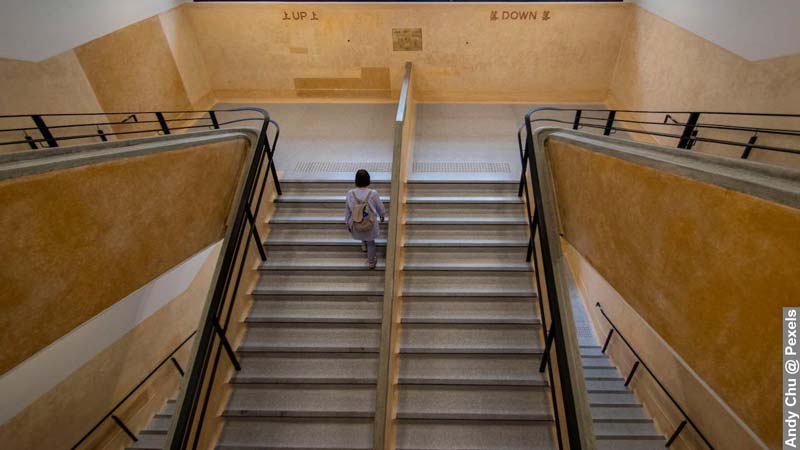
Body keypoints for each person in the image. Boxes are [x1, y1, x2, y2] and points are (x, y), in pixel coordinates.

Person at [345, 169, 385, 269]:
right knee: (371, 243)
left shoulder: (350, 193)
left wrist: (347, 223)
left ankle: (363, 245)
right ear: (368, 180)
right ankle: (371, 262)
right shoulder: (373, 193)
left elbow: (348, 210)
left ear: (356, 181)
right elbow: (380, 207)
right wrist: (382, 215)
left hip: (356, 223)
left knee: (360, 223)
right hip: (370, 224)